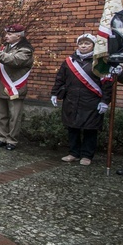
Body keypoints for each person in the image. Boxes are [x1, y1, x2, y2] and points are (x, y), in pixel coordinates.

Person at [50, 34, 112, 165]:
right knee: (72, 127)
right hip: (72, 99)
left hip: (91, 101)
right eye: (81, 44)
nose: (83, 46)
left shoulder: (99, 63)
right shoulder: (69, 61)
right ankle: (73, 153)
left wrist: (105, 101)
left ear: (93, 46)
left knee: (90, 129)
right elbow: (60, 78)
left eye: (87, 44)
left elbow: (107, 84)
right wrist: (54, 93)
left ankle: (87, 155)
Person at [0, 23, 34, 150]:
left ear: (18, 36)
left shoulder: (26, 49)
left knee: (14, 116)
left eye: (10, 34)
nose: (6, 36)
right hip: (0, 86)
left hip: (15, 88)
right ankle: (2, 137)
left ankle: (12, 140)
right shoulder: (4, 47)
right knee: (1, 115)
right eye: (6, 33)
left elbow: (14, 60)